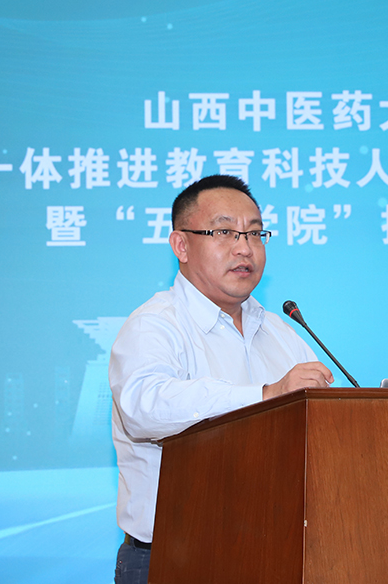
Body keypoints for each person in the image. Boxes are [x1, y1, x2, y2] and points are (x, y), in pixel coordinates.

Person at [109, 174, 334, 584]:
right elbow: (145, 409)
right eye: (225, 232)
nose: (244, 247)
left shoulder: (283, 332)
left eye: (254, 233)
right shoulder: (154, 325)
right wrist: (267, 395)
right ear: (181, 245)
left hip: (276, 554)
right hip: (176, 560)